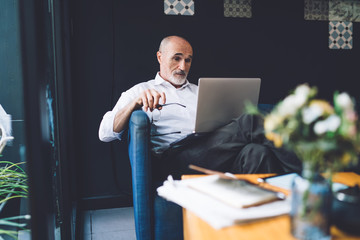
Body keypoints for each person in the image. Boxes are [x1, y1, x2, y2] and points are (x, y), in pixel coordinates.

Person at [99, 35, 302, 180]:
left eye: (188, 60)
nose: (183, 66)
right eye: (176, 58)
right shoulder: (142, 90)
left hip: (211, 150)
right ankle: (308, 177)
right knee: (251, 120)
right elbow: (105, 133)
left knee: (257, 153)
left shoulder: (200, 91)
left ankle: (270, 218)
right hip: (174, 161)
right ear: (160, 57)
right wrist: (134, 104)